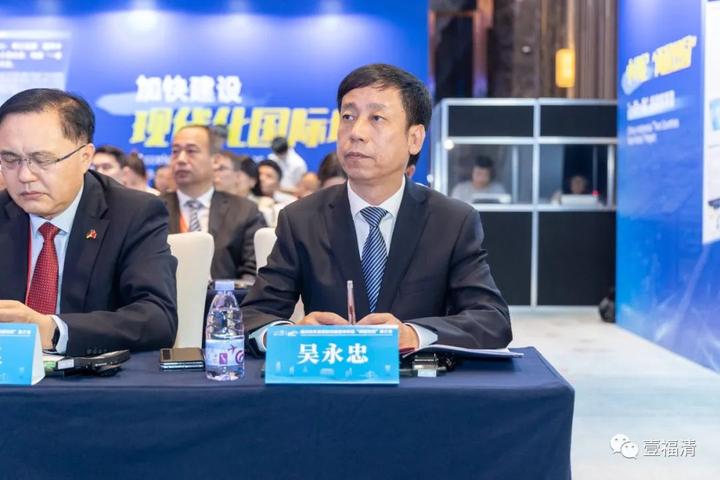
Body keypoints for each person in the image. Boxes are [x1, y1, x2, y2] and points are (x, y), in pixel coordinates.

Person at [242, 64, 511, 355]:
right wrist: (290, 336)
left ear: (414, 138)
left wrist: (414, 335)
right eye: (348, 117)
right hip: (331, 375)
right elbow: (252, 317)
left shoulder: (452, 221)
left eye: (376, 118)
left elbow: (491, 320)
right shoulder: (301, 218)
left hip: (417, 380)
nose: (356, 132)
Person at [0, 88, 177, 356]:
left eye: (42, 159)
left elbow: (156, 318)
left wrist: (53, 330)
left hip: (90, 374)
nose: (24, 175)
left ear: (85, 157)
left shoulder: (133, 213)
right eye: (10, 160)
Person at [161, 125, 265, 281]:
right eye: (175, 151)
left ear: (215, 160)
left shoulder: (244, 211)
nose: (181, 159)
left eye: (191, 151)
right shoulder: (152, 209)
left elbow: (254, 271)